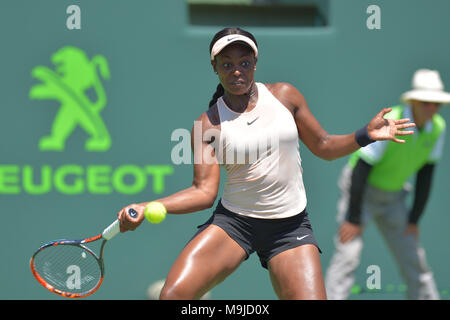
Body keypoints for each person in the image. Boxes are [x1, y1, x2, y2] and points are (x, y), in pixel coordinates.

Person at [117, 27, 415, 300]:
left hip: (290, 227)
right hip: (234, 223)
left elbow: (323, 146)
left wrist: (365, 134)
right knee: (172, 297)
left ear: (255, 63)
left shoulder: (285, 96)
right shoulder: (207, 125)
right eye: (227, 63)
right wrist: (147, 206)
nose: (237, 71)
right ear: (215, 67)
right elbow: (203, 192)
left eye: (244, 62)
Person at [325, 69, 450, 300]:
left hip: (394, 199)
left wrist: (414, 219)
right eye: (425, 103)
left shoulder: (438, 128)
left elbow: (426, 175)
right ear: (413, 101)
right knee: (348, 256)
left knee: (414, 258)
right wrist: (353, 218)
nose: (431, 109)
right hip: (361, 194)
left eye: (436, 104)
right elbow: (361, 168)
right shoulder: (392, 122)